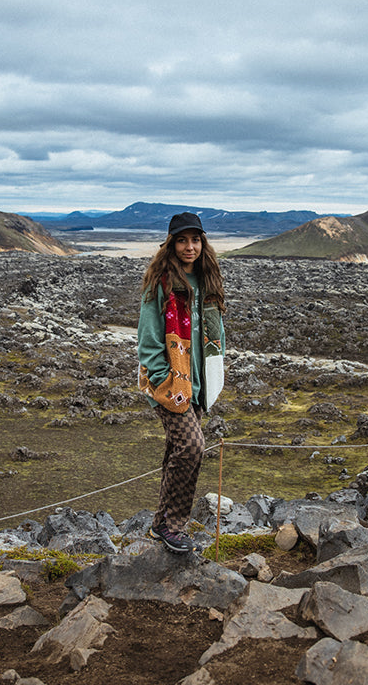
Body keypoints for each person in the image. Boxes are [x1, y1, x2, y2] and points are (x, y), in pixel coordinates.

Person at [137, 212, 226, 553]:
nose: (190, 247)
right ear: (171, 244)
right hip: (170, 385)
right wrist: (164, 382)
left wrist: (212, 376)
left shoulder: (208, 279)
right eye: (182, 240)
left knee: (179, 450)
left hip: (198, 385)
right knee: (191, 447)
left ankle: (161, 524)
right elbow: (148, 341)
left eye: (196, 240)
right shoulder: (159, 283)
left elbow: (215, 335)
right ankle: (172, 526)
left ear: (203, 243)